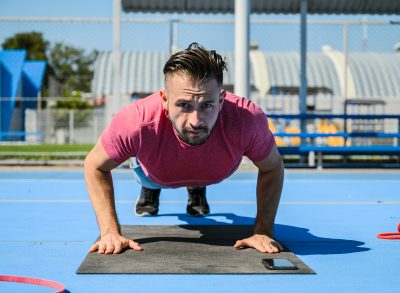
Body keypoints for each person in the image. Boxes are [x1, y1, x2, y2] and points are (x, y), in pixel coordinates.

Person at [84, 43, 284, 255]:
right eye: (184, 105)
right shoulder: (136, 122)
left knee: (198, 166)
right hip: (153, 173)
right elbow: (94, 166)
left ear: (222, 100)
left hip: (210, 171)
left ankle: (195, 184)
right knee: (149, 178)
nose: (195, 121)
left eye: (207, 105)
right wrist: (109, 232)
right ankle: (150, 190)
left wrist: (264, 231)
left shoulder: (247, 119)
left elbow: (272, 167)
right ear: (164, 99)